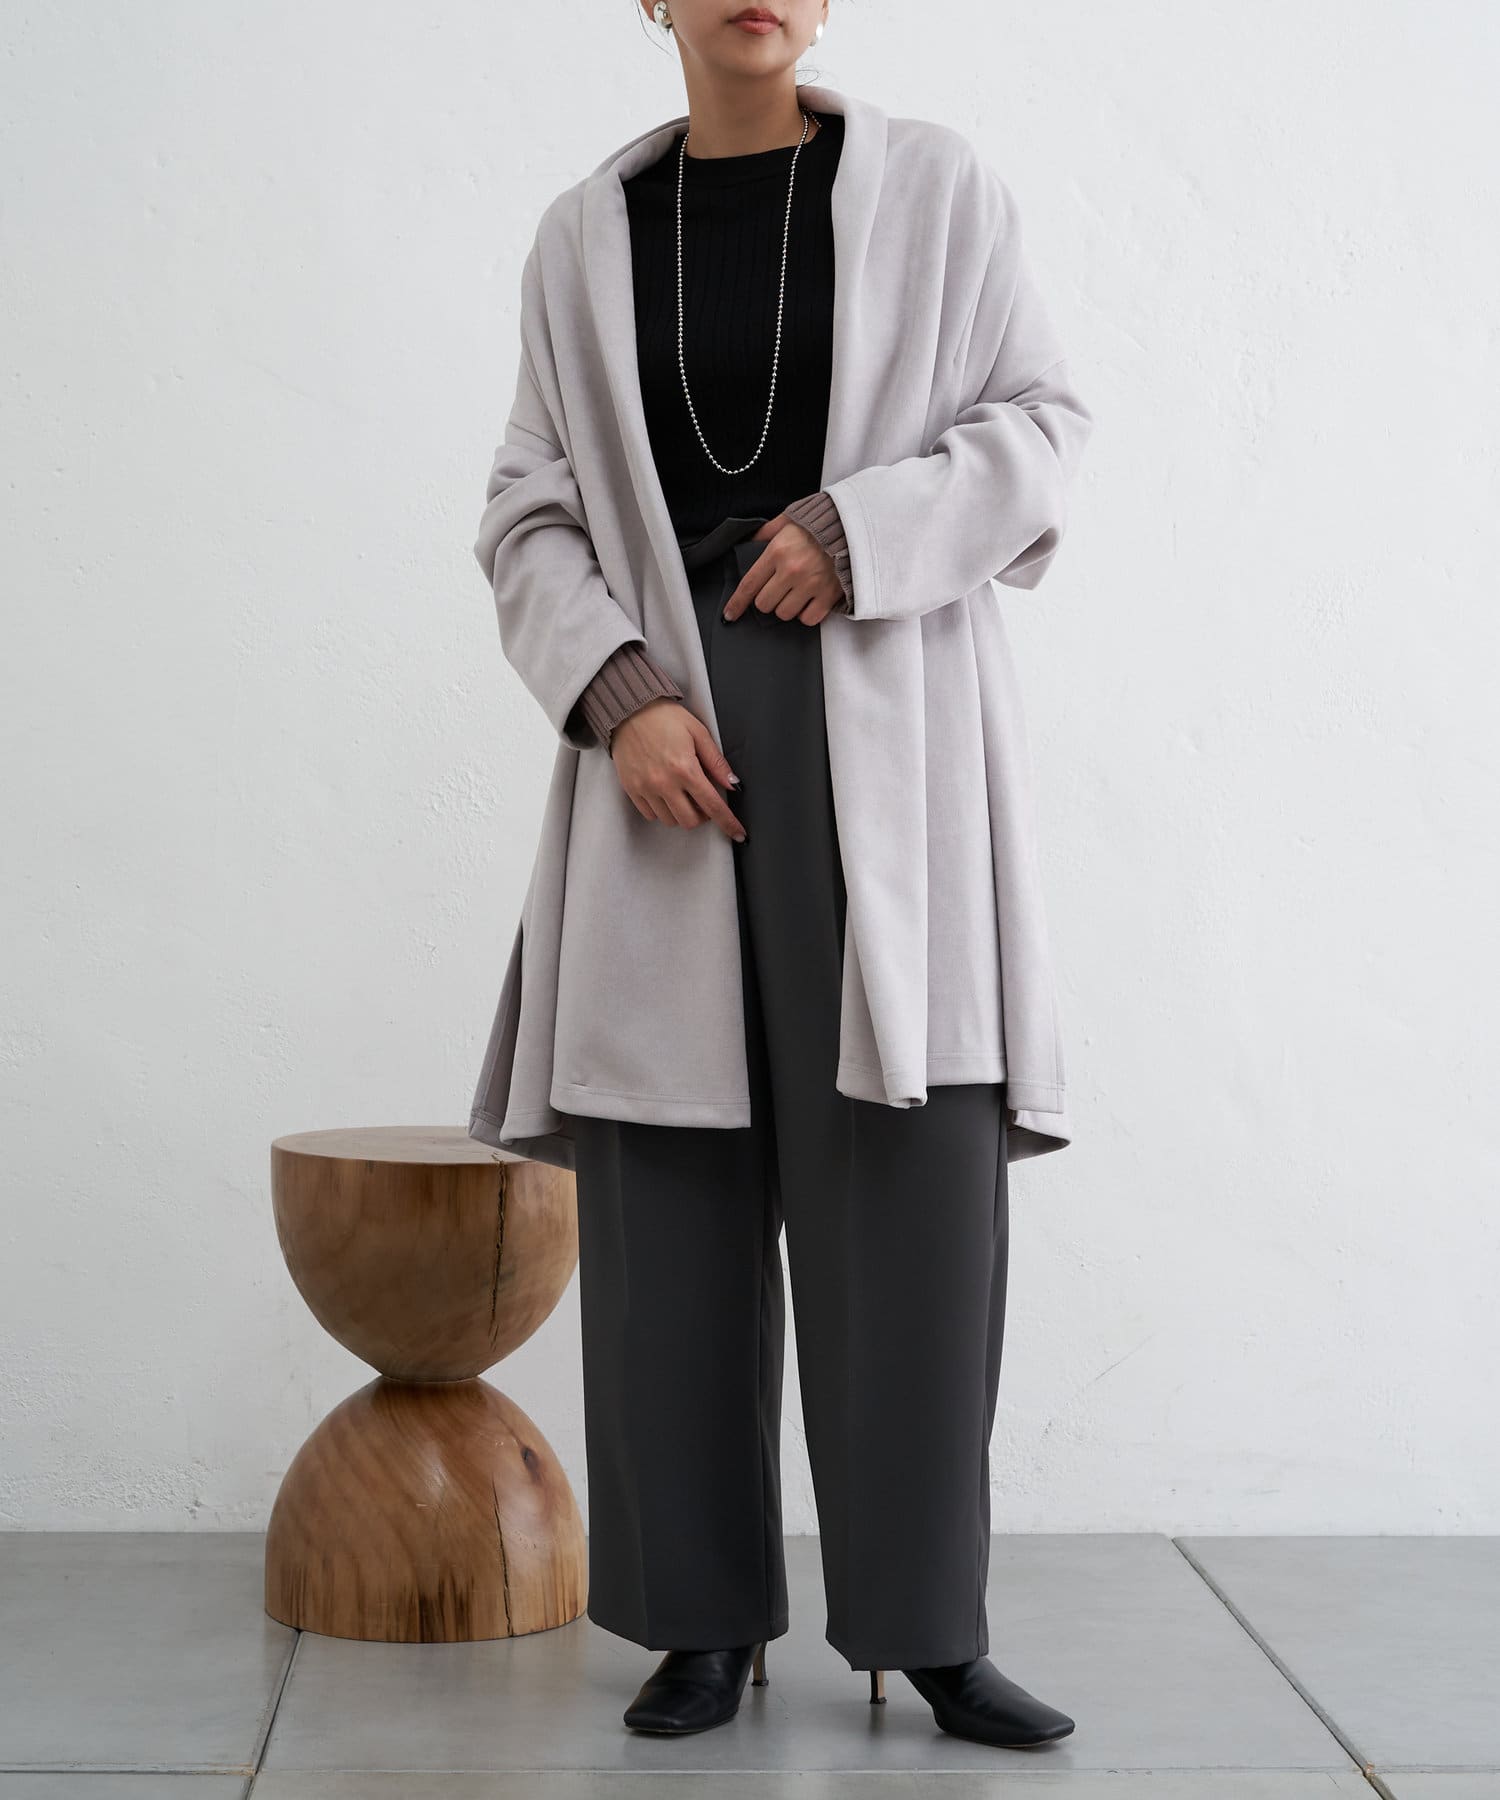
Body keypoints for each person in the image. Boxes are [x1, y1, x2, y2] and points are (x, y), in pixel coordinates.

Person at [469, 0, 1094, 1749]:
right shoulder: (585, 236)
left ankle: (928, 1629)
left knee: (911, 1175)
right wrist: (617, 695)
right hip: (669, 746)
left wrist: (857, 530)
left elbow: (1043, 424)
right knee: (665, 1179)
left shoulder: (941, 189)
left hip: (887, 728)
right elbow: (526, 509)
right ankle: (698, 1623)